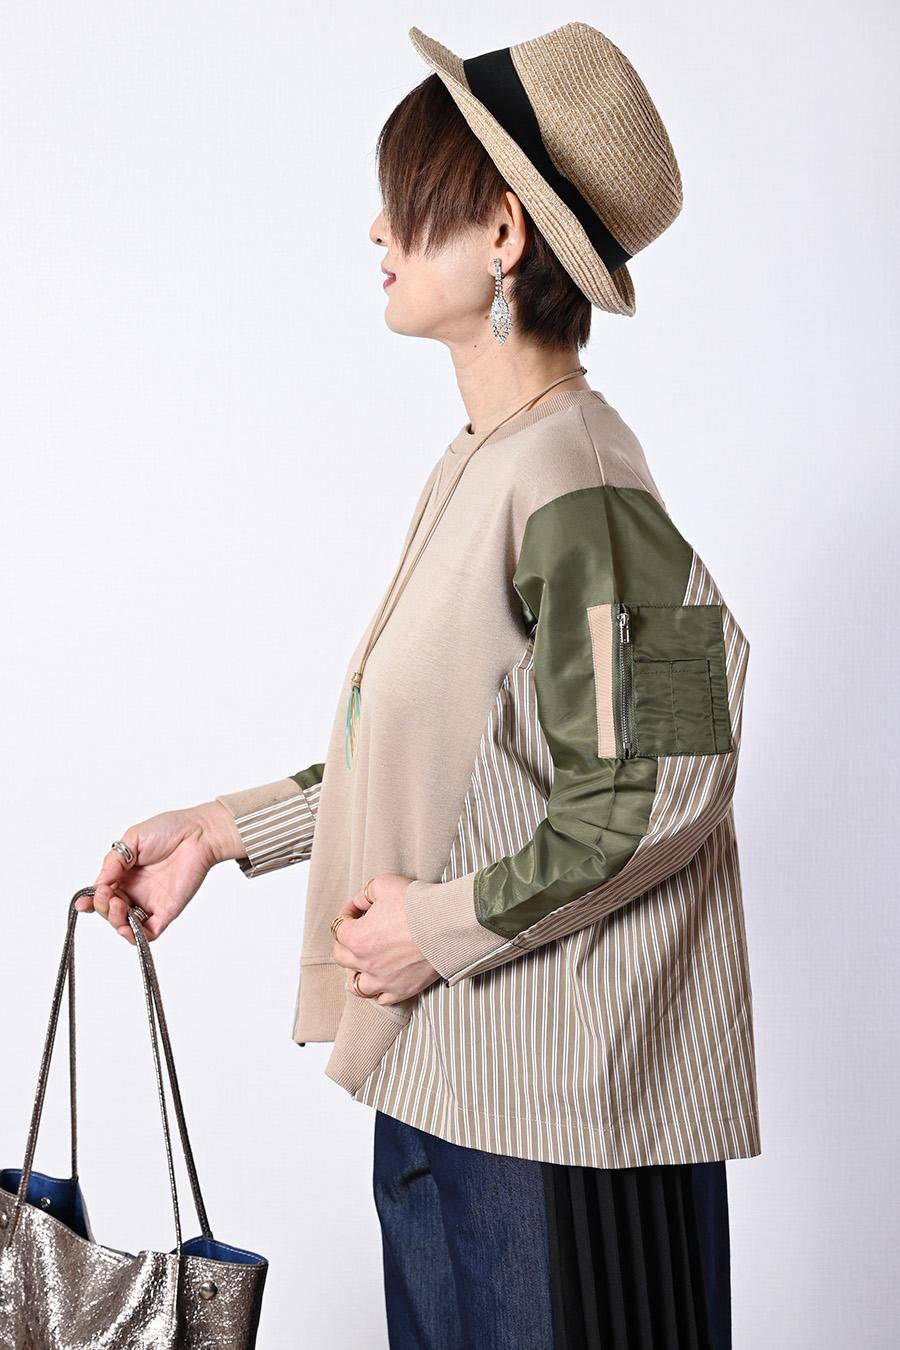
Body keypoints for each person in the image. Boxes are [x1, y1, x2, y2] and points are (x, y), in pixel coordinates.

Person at [80, 21, 760, 1350]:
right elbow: (456, 757)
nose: (377, 230)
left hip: (558, 1127)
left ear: (502, 232)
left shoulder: (579, 476)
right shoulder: (486, 460)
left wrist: (434, 929)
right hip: (447, 1084)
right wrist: (221, 830)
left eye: (407, 199)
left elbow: (665, 778)